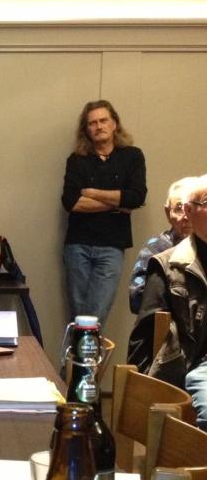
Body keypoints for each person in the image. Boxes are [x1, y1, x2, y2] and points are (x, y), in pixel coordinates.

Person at [127, 174, 207, 428]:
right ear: (189, 211)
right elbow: (145, 332)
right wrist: (138, 396)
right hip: (197, 362)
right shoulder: (166, 262)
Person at [61, 99, 147, 326]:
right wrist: (119, 203)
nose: (99, 126)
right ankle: (78, 352)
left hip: (112, 246)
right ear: (86, 129)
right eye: (92, 123)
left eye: (103, 120)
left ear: (114, 123)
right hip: (78, 245)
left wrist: (93, 193)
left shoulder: (132, 156)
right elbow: (71, 202)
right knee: (78, 316)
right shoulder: (77, 160)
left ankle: (83, 351)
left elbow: (136, 197)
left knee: (95, 317)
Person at [128, 177, 195, 314]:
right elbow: (136, 299)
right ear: (168, 212)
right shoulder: (156, 248)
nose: (186, 216)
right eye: (179, 209)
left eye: (191, 208)